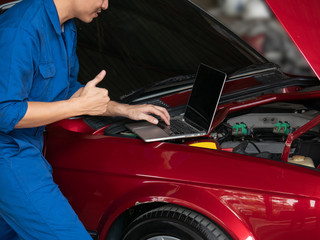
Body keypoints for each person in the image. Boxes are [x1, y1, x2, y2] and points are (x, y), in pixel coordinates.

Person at [0, 0, 170, 239]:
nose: (106, 4)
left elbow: (67, 91)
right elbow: (5, 111)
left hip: (29, 148)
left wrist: (124, 110)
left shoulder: (66, 27)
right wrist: (77, 105)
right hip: (8, 154)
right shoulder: (20, 30)